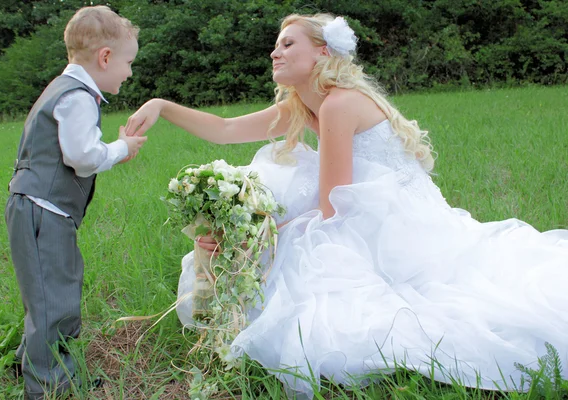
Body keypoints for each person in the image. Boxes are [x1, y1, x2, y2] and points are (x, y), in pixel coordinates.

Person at [126, 13, 568, 399]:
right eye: (275, 46)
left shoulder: (339, 104)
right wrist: (162, 106)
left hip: (396, 223)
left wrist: (256, 234)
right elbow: (225, 130)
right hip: (364, 210)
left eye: (287, 44)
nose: (274, 53)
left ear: (322, 53)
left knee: (315, 268)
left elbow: (333, 207)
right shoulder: (303, 104)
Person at [5, 6, 147, 399]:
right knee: (56, 295)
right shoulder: (78, 97)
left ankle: (29, 362)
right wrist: (121, 147)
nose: (129, 72)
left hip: (38, 208)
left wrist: (113, 147)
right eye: (127, 62)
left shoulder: (62, 89)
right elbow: (82, 158)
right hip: (43, 211)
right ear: (105, 57)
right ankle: (50, 384)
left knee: (48, 290)